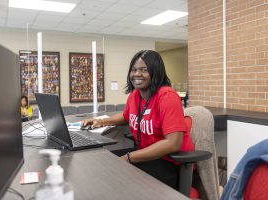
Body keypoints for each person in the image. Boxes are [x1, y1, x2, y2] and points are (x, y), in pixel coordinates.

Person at [82, 50, 194, 189]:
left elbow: (173, 143)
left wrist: (129, 157)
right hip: (145, 156)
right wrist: (102, 121)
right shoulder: (135, 95)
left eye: (144, 70)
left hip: (168, 163)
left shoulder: (167, 96)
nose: (136, 74)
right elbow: (126, 117)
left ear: (156, 72)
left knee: (111, 175)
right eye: (133, 70)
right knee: (102, 162)